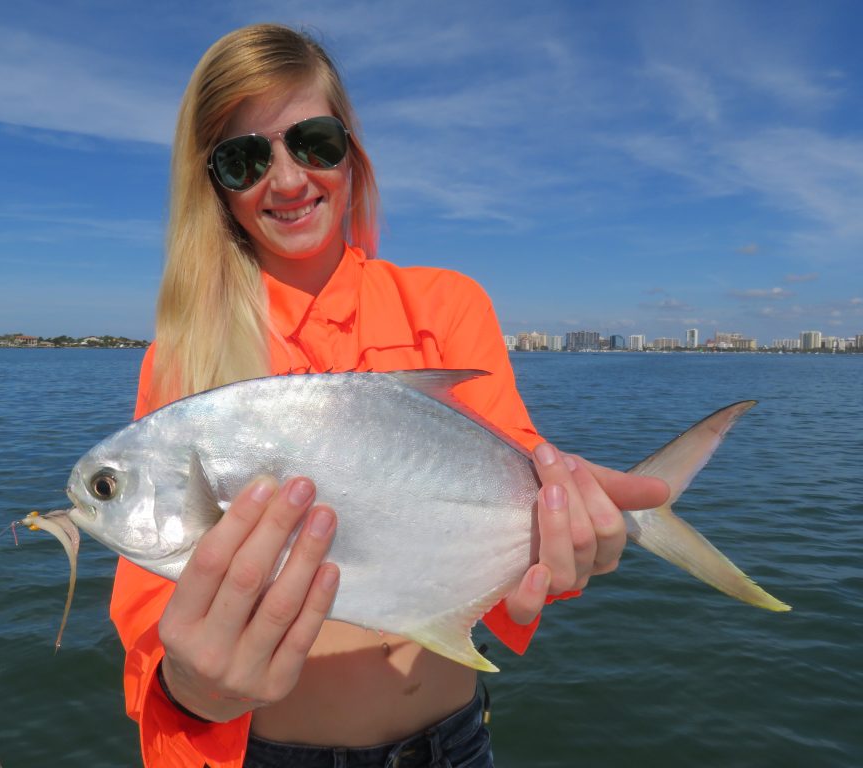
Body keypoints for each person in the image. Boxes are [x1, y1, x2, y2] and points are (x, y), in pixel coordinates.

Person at [110, 23, 669, 768]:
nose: (286, 181)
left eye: (312, 142)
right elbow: (154, 614)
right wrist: (195, 687)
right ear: (212, 185)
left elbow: (511, 503)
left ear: (352, 149)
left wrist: (568, 543)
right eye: (243, 159)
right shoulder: (184, 359)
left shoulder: (447, 306)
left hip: (452, 745)